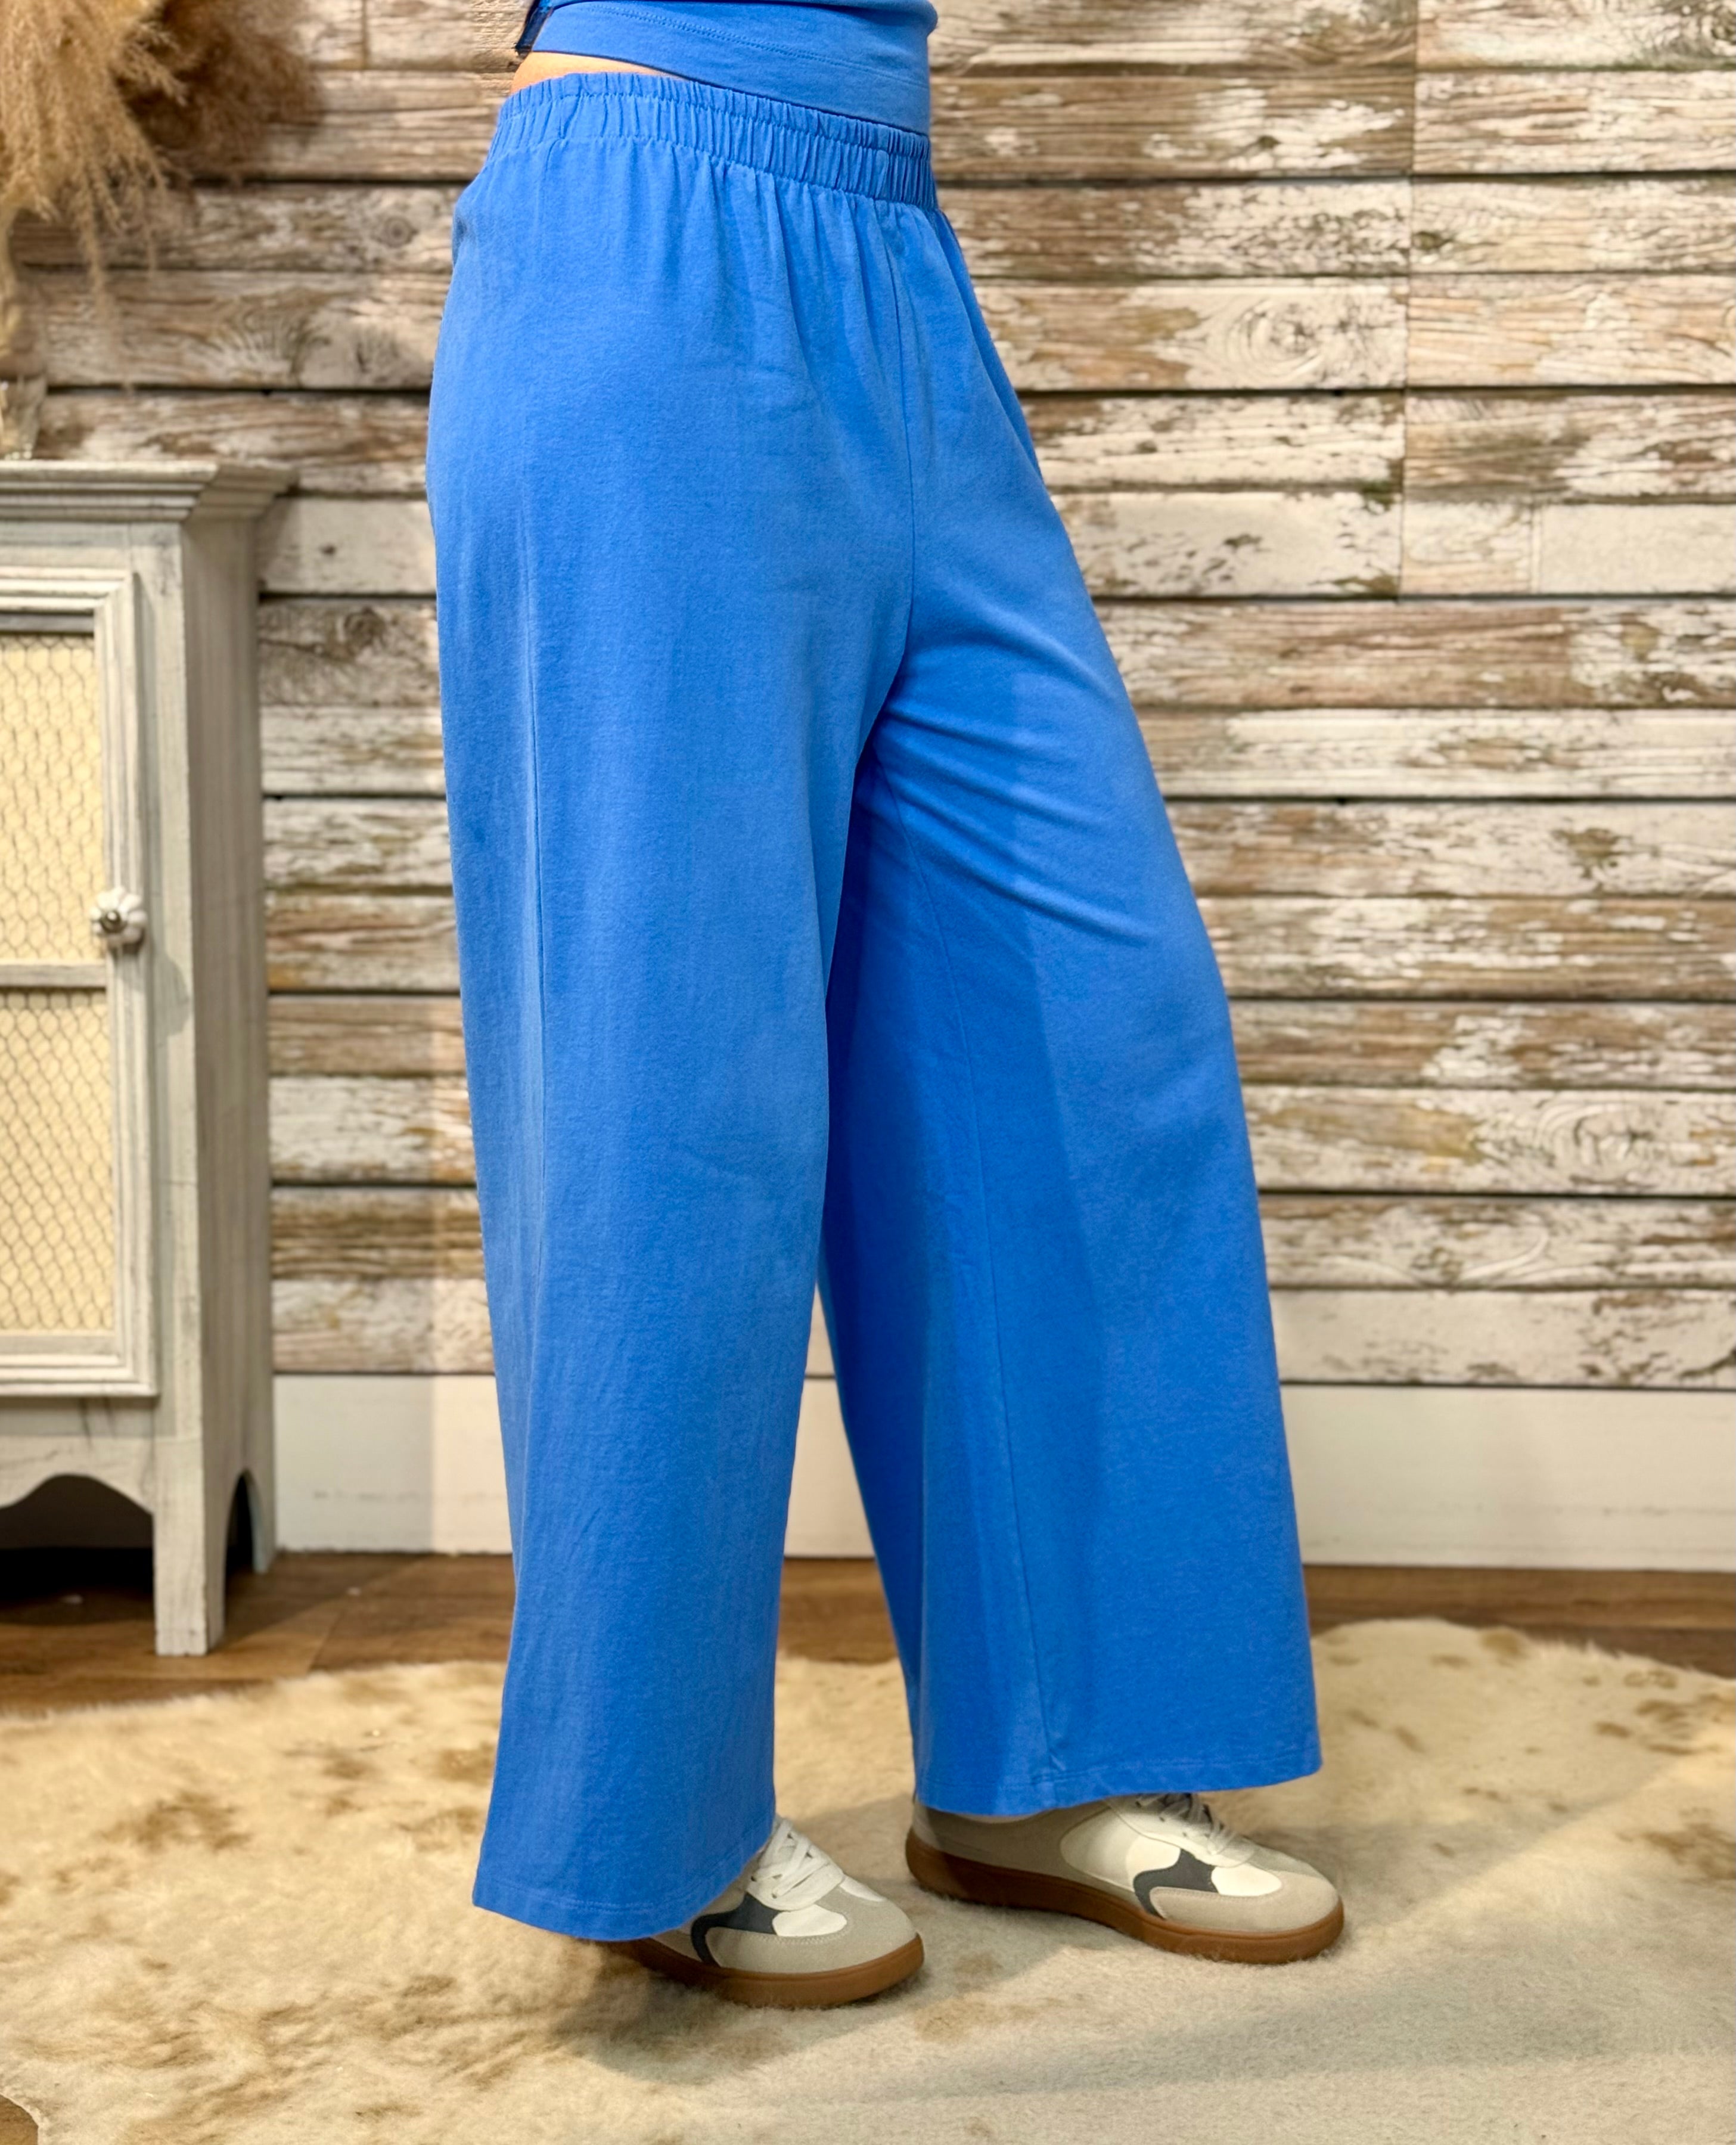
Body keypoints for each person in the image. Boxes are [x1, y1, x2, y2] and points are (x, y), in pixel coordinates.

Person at [425, 0, 1341, 2010]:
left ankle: (1052, 1763)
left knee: (1084, 1036)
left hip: (895, 259)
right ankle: (653, 1832)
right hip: (645, 233)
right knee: (677, 1090)